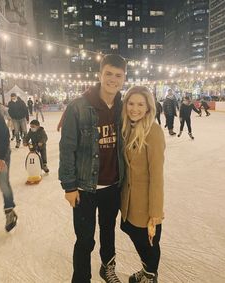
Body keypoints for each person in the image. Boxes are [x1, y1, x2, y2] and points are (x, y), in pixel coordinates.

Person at [59, 54, 127, 283]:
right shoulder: (78, 106)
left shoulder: (124, 106)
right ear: (100, 74)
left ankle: (107, 268)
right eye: (108, 73)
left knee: (108, 232)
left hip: (113, 185)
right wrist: (69, 186)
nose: (113, 79)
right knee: (85, 239)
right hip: (85, 187)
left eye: (118, 75)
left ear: (124, 78)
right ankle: (81, 278)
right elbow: (67, 148)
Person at [120, 86, 165, 283]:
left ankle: (150, 276)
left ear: (148, 108)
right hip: (129, 200)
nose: (134, 108)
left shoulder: (153, 131)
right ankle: (147, 270)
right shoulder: (127, 128)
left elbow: (157, 175)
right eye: (131, 103)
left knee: (148, 243)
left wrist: (155, 213)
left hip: (145, 203)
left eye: (140, 104)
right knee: (133, 233)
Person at [0, 109, 18, 232]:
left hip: (1, 153)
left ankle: (9, 212)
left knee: (3, 182)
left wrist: (1, 157)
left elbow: (4, 136)